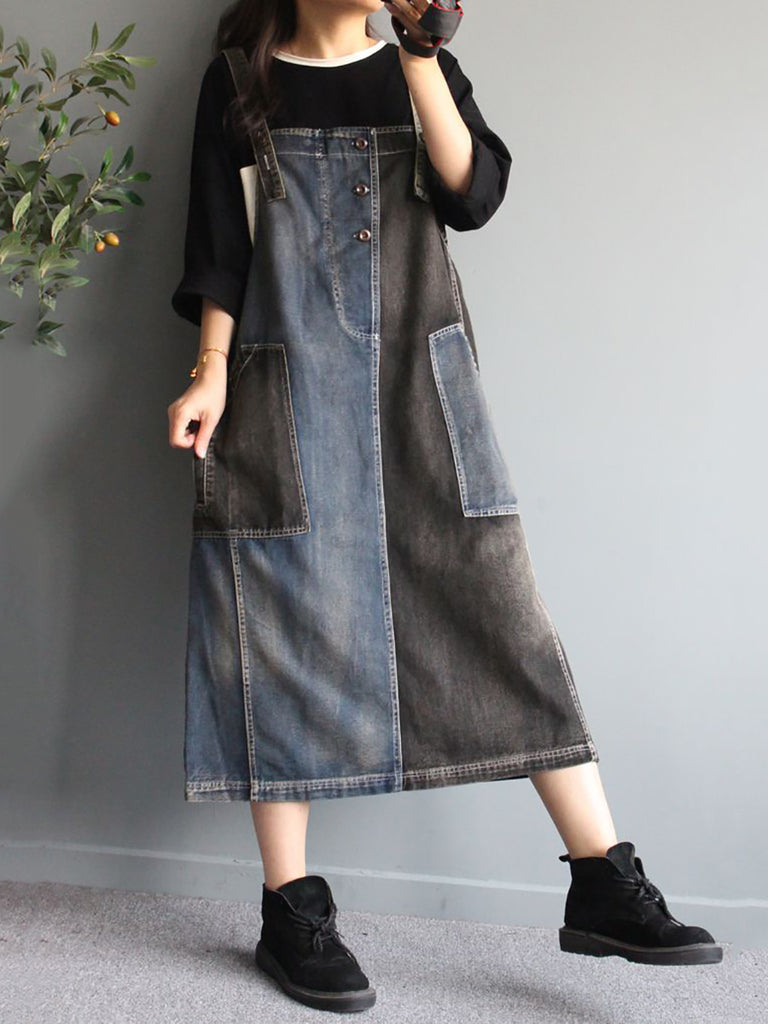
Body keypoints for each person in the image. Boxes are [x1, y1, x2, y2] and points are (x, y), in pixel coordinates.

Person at [167, 0, 722, 1013]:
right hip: (284, 387)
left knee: (501, 614)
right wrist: (209, 369)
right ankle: (290, 909)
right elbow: (220, 252)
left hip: (421, 387)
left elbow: (475, 192)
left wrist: (421, 53)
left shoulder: (414, 65)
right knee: (280, 624)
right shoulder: (241, 84)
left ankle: (601, 877)